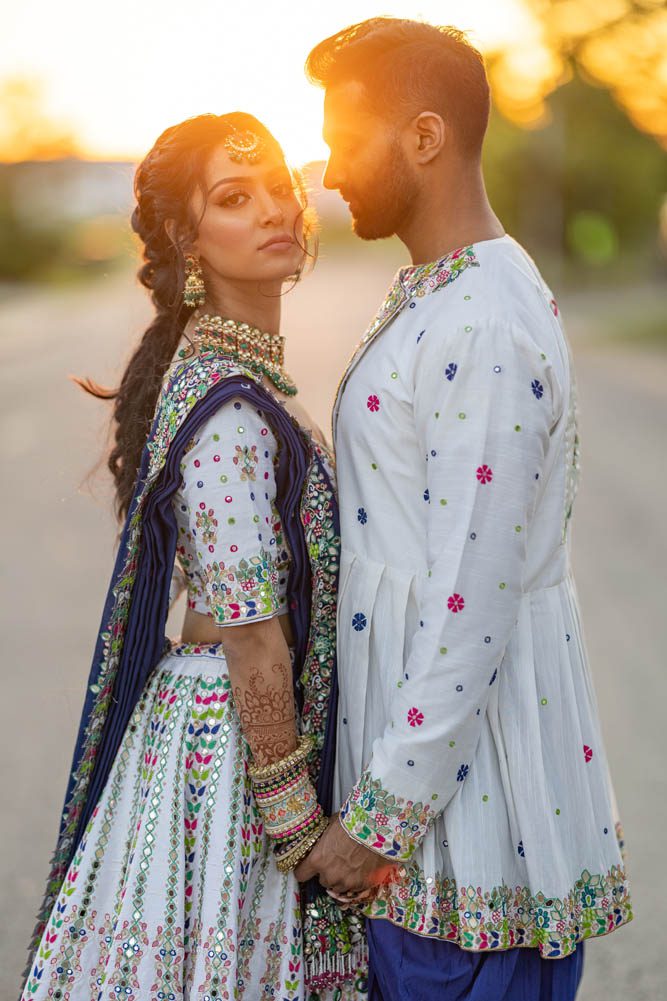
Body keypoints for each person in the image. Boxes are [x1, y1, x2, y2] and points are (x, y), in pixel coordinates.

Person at [295, 18, 633, 1001]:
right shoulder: (448, 292)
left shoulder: (482, 320)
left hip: (464, 847)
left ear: (425, 137)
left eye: (345, 140)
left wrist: (377, 821)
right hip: (428, 847)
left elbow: (469, 599)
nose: (328, 172)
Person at [18, 112, 367, 1001]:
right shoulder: (228, 408)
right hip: (231, 759)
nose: (272, 210)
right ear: (187, 237)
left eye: (279, 188)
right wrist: (300, 832)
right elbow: (255, 637)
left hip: (231, 735)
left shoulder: (233, 380)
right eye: (233, 197)